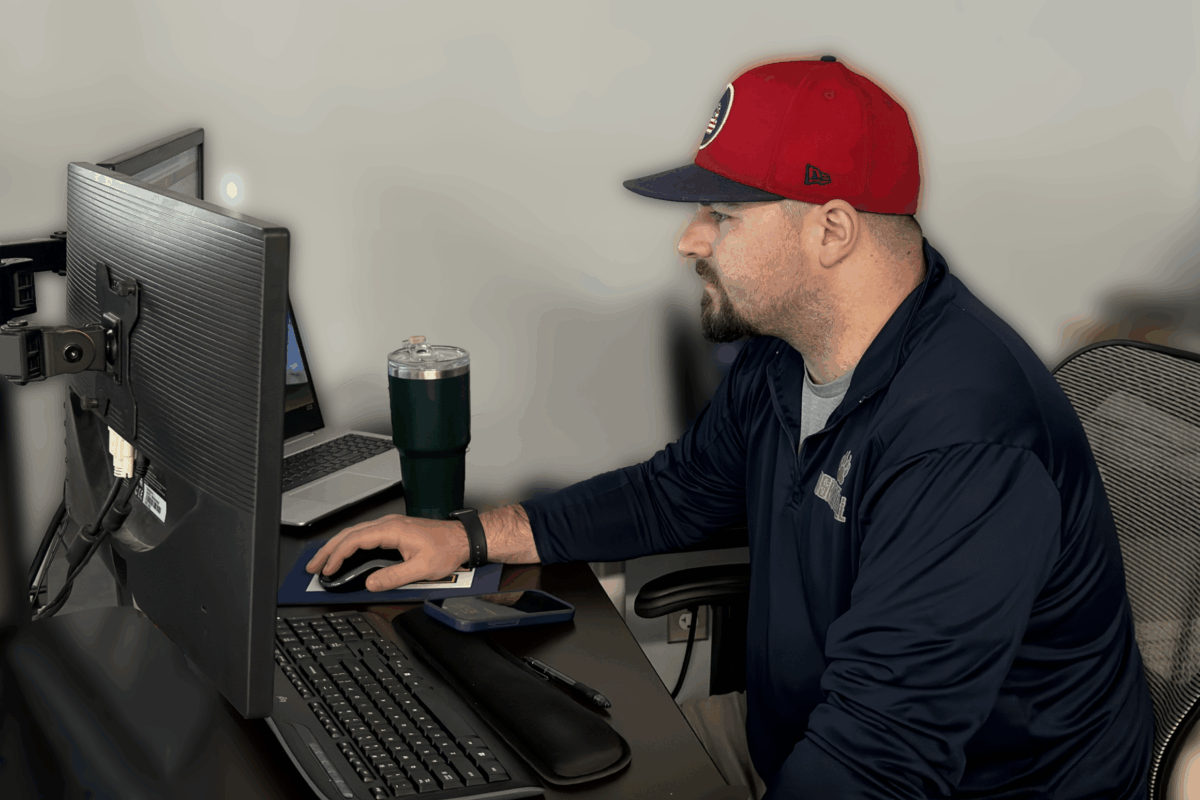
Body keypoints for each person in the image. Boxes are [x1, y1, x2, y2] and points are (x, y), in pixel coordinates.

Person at [308, 56, 1155, 798]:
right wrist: (470, 537)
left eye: (723, 214)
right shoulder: (785, 354)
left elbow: (881, 762)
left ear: (831, 229)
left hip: (967, 784)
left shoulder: (965, 440)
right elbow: (678, 492)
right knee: (486, 756)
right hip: (794, 732)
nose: (688, 240)